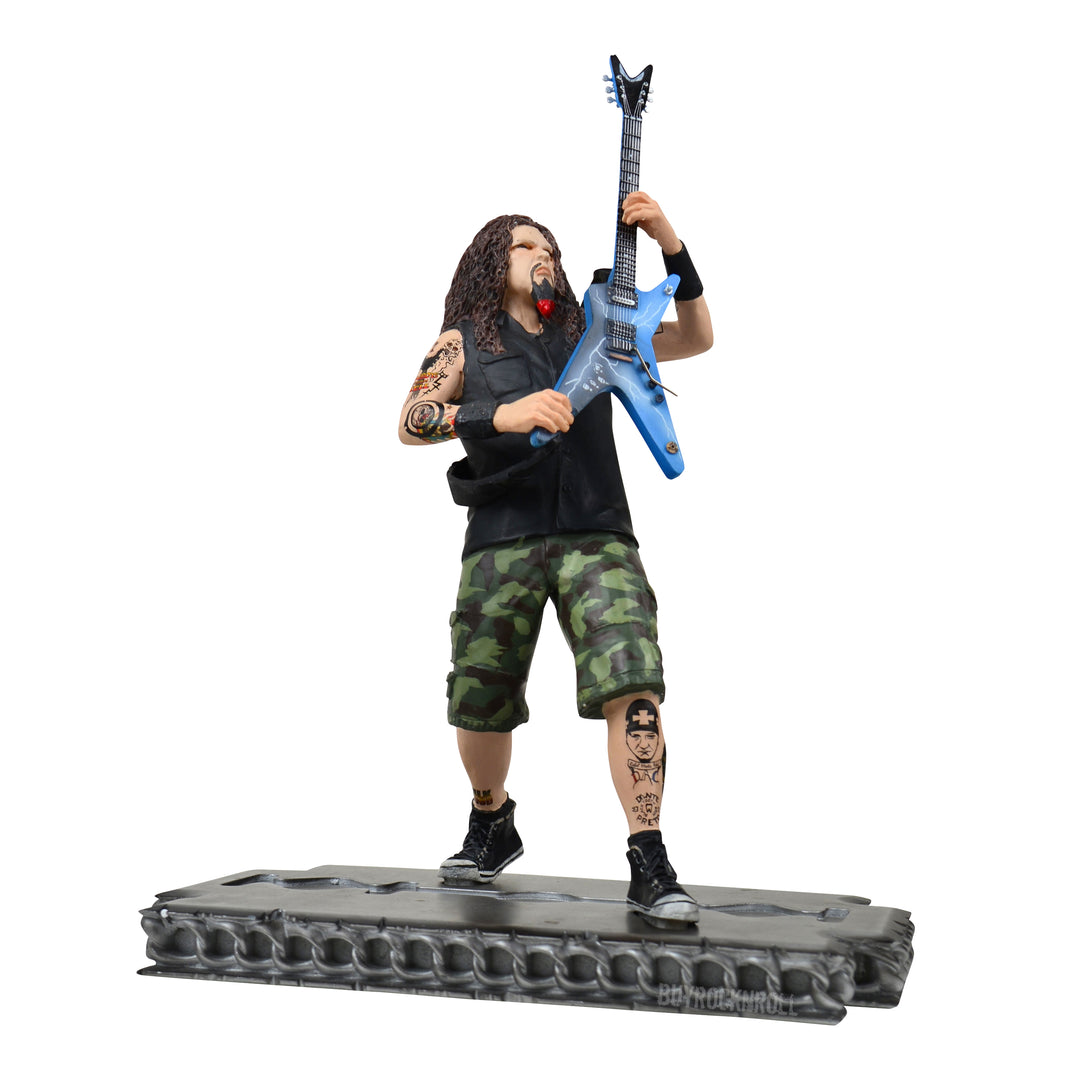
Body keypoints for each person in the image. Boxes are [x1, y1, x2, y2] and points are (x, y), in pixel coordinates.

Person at [397, 192, 713, 927]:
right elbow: (412, 419)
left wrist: (669, 241)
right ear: (491, 262)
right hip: (502, 534)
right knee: (481, 693)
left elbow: (697, 337)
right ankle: (492, 819)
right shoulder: (462, 343)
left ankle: (648, 854)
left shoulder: (596, 331)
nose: (543, 256)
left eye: (550, 249)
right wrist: (499, 414)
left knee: (632, 676)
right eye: (525, 246)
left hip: (597, 529)